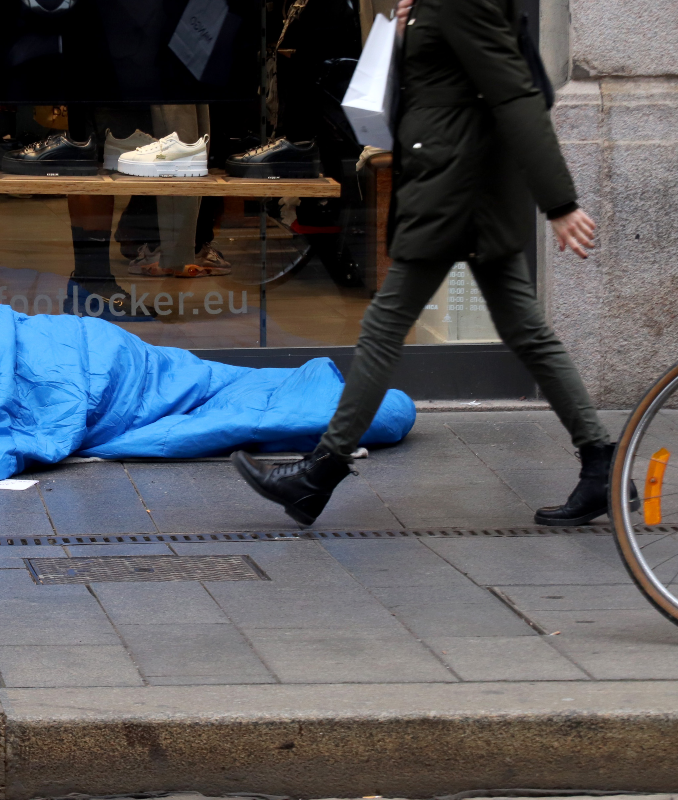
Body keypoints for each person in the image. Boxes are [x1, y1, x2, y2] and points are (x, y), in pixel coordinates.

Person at [231, 0, 625, 528]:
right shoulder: (428, 7)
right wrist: (405, 33)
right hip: (461, 190)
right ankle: (600, 462)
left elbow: (517, 97)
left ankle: (318, 474)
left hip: (452, 196)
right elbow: (440, 86)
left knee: (384, 326)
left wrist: (560, 202)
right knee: (526, 330)